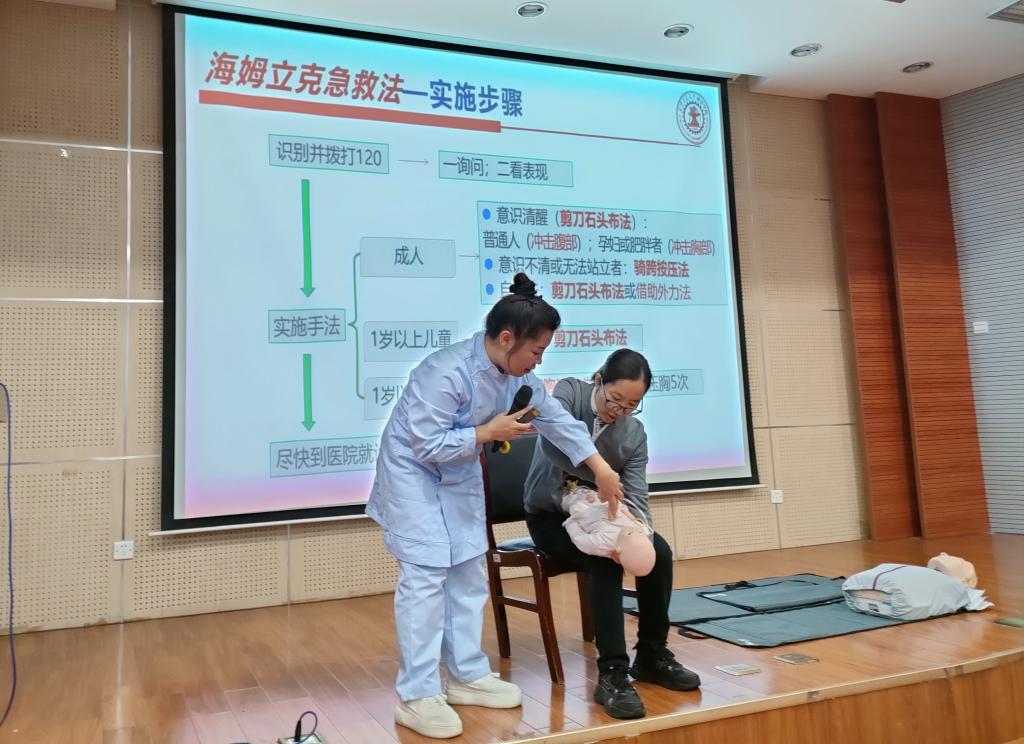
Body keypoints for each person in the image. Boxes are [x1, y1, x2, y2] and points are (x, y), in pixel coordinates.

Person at [366, 273, 624, 739]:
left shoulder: (515, 376)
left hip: (458, 474)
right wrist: (487, 432)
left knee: (468, 572)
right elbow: (425, 445)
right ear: (507, 338)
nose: (538, 361)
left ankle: (466, 675)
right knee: (425, 581)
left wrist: (600, 468)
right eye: (536, 351)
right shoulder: (443, 372)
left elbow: (558, 420)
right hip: (413, 476)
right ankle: (417, 695)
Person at [523, 348, 701, 720]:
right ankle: (613, 674)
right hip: (550, 515)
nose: (619, 411)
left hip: (606, 515)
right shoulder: (570, 393)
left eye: (632, 405)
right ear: (599, 380)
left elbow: (636, 495)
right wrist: (601, 472)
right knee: (602, 561)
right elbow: (553, 441)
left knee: (660, 552)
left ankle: (652, 654)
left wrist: (638, 531)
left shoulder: (634, 434)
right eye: (615, 399)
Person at [560, 481, 656, 577]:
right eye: (640, 533)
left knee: (573, 501)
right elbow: (634, 520)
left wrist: (571, 523)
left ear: (618, 550)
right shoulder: (643, 531)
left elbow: (579, 538)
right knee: (597, 492)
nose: (635, 529)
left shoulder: (602, 544)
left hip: (584, 512)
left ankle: (567, 490)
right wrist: (623, 509)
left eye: (630, 533)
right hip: (603, 502)